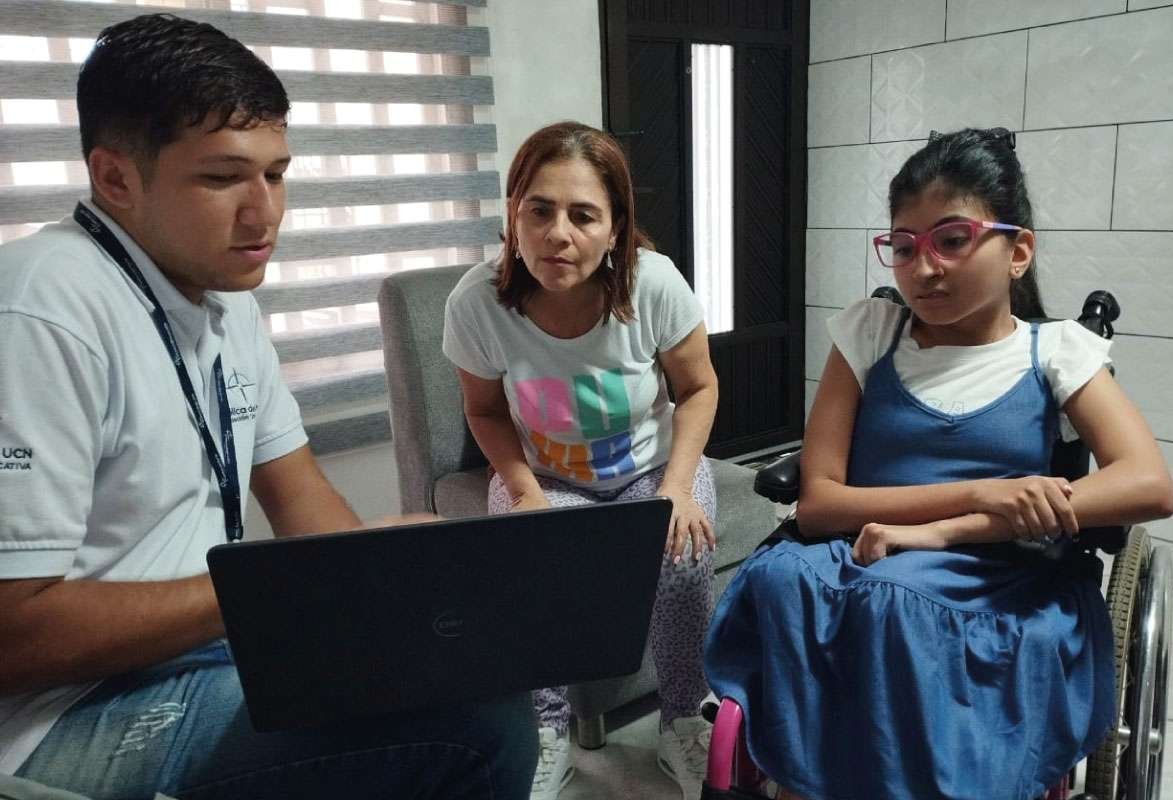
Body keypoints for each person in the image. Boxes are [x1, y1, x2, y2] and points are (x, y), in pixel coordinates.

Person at [0, 14, 536, 800]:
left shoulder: (225, 302)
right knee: (478, 724)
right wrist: (272, 593)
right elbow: (13, 632)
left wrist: (385, 585)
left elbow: (298, 493)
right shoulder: (42, 308)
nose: (265, 214)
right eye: (222, 179)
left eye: (276, 174)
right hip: (64, 718)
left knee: (462, 667)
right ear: (115, 179)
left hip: (201, 655)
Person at [704, 127, 1173, 800]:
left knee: (896, 604)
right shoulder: (871, 332)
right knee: (781, 581)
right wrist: (983, 493)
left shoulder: (1056, 351)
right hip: (855, 550)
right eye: (904, 246)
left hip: (994, 570)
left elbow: (1150, 485)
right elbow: (821, 505)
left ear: (1018, 251)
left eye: (952, 240)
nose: (924, 269)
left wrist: (952, 529)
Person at [442, 121, 718, 800]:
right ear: (513, 214)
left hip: (653, 469)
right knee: (529, 563)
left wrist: (678, 487)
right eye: (539, 210)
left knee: (682, 555)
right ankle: (545, 731)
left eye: (583, 215)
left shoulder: (654, 285)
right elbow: (485, 412)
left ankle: (684, 718)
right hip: (546, 477)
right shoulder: (477, 302)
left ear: (616, 227)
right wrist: (523, 492)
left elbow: (698, 388)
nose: (557, 234)